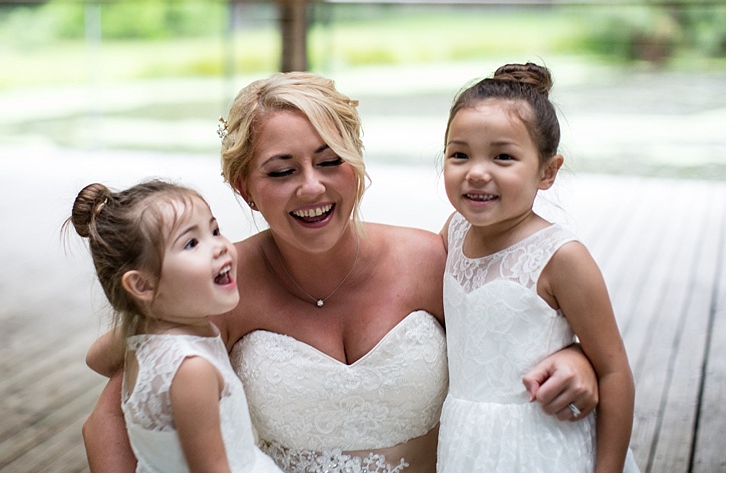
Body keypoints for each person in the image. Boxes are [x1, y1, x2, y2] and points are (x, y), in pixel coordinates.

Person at [82, 72, 601, 473]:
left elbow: (515, 328)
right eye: (282, 171)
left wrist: (576, 357)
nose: (312, 187)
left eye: (331, 162)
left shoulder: (430, 260)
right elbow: (109, 416)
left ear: (356, 162)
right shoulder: (216, 287)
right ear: (244, 187)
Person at [436, 63, 635, 472]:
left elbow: (614, 371)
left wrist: (609, 474)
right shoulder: (453, 233)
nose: (476, 172)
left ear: (547, 171)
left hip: (540, 446)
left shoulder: (561, 257)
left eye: (503, 157)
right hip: (465, 442)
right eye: (459, 154)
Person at [67, 180, 281, 473]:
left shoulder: (141, 343)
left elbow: (94, 358)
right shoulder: (192, 369)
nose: (219, 247)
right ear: (142, 284)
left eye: (215, 230)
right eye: (191, 243)